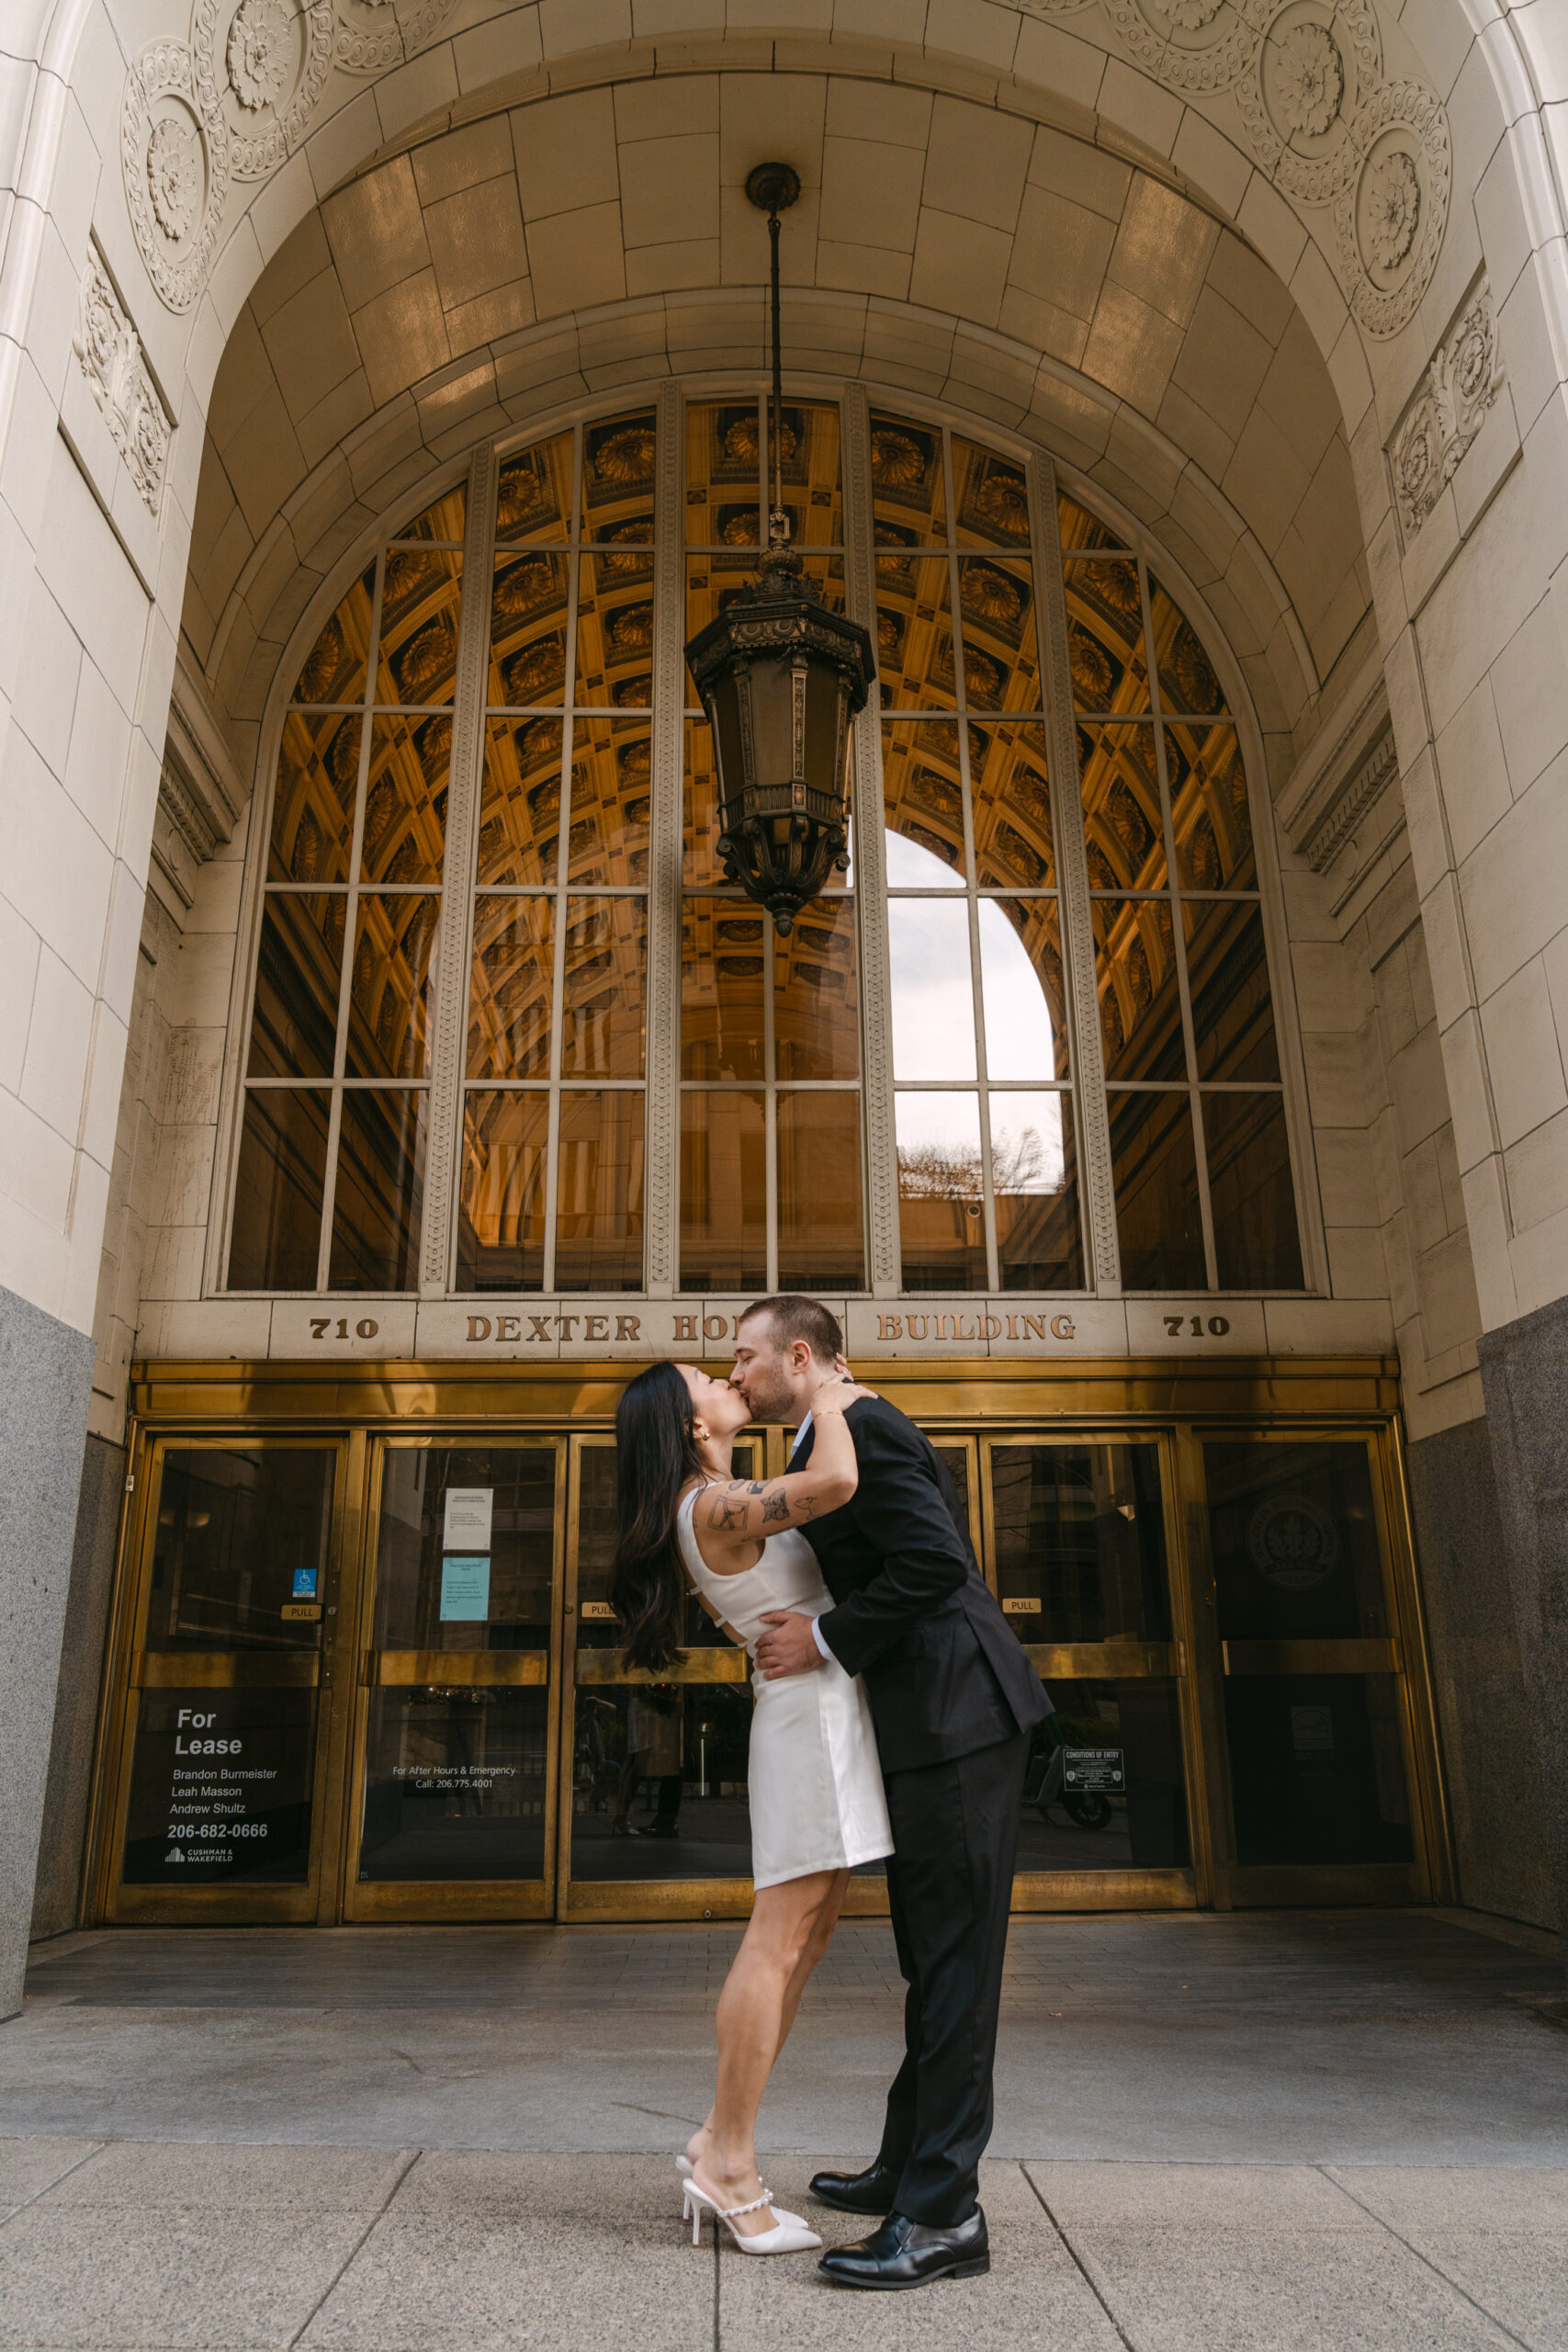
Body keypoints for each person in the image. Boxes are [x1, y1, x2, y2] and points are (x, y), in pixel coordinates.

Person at [733, 1294, 1051, 2292]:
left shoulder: (864, 1423)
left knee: (956, 1968)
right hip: (929, 1727)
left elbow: (936, 1564)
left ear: (797, 1354)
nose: (735, 1371)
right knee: (933, 1960)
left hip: (962, 1720)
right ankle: (908, 2166)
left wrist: (824, 1638)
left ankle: (945, 2215)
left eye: (744, 1355)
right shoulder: (833, 1424)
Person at [610, 1354, 890, 2257]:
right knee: (780, 1940)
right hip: (808, 1724)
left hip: (822, 1713)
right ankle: (729, 2161)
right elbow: (839, 1478)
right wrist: (830, 1393)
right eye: (708, 1378)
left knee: (805, 1939)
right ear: (690, 1424)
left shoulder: (721, 1495)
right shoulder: (713, 1506)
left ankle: (717, 2136)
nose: (729, 1379)